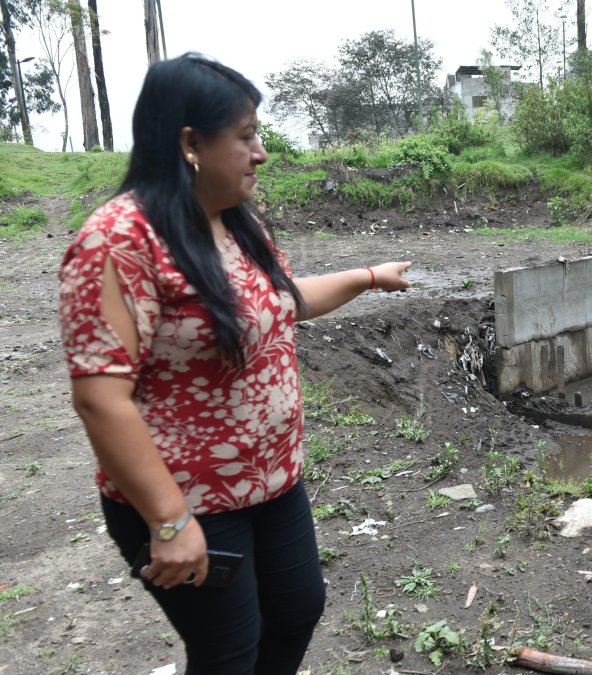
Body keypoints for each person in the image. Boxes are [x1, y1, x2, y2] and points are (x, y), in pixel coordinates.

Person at [57, 53, 410, 675]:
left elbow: (282, 304)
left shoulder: (235, 223)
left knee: (300, 609)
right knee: (228, 651)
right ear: (190, 142)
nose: (262, 152)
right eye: (246, 135)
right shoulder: (117, 241)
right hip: (188, 498)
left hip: (272, 482)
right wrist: (169, 521)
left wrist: (369, 277)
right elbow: (100, 398)